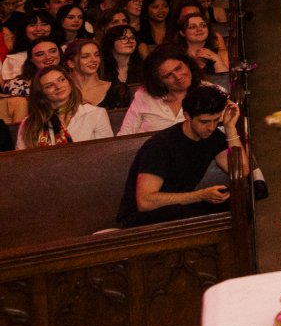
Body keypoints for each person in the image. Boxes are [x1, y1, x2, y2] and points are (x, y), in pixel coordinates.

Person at [117, 85, 241, 226]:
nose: (211, 127)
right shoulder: (161, 145)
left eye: (216, 120)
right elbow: (145, 202)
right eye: (204, 122)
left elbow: (240, 171)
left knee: (237, 205)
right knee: (196, 219)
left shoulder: (212, 136)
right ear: (187, 116)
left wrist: (230, 128)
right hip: (141, 216)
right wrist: (200, 195)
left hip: (179, 205)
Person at [18, 66, 114, 145]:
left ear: (69, 82)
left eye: (61, 80)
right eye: (49, 86)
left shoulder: (96, 113)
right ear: (41, 94)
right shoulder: (29, 123)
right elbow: (22, 161)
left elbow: (106, 152)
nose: (58, 86)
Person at [65, 37, 129, 117]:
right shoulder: (62, 92)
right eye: (85, 56)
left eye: (97, 55)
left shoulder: (117, 90)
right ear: (71, 63)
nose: (94, 59)